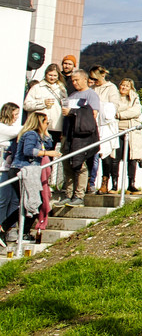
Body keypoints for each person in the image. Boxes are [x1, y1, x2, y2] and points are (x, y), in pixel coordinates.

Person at [1, 112, 57, 243]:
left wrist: (46, 133)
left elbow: (49, 144)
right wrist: (47, 153)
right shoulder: (31, 134)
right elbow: (28, 151)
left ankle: (16, 230)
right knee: (32, 203)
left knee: (30, 203)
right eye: (46, 122)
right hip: (22, 170)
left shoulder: (36, 135)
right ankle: (10, 229)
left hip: (28, 171)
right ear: (39, 122)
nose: (47, 125)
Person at [58, 69, 101, 207]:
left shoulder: (91, 95)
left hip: (82, 137)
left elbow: (92, 116)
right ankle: (68, 193)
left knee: (79, 165)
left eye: (77, 80)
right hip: (68, 135)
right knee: (67, 164)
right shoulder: (72, 95)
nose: (74, 83)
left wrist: (72, 112)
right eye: (72, 81)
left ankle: (79, 194)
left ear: (84, 79)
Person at [87, 66, 119, 194]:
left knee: (105, 154)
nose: (94, 81)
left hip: (106, 124)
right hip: (93, 124)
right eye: (92, 79)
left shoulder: (111, 88)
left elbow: (114, 106)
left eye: (95, 78)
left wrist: (100, 106)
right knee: (90, 154)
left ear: (102, 76)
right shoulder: (92, 89)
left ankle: (105, 181)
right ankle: (90, 182)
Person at [112, 78, 142, 194]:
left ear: (131, 88)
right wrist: (127, 111)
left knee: (132, 158)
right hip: (117, 130)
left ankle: (131, 184)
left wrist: (119, 114)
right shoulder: (114, 97)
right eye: (122, 85)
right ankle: (114, 185)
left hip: (131, 132)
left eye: (127, 86)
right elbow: (112, 111)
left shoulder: (135, 98)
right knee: (115, 158)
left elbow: (136, 111)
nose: (124, 88)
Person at [23, 63, 66, 145]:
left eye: (55, 75)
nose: (52, 77)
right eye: (50, 75)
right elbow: (26, 105)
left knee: (50, 151)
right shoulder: (37, 87)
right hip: (38, 126)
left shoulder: (62, 89)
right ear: (46, 74)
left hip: (55, 127)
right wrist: (42, 103)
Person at [0, 103, 22, 240]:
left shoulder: (13, 128)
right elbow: (20, 130)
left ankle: (9, 228)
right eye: (15, 114)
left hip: (12, 169)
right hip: (2, 170)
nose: (17, 117)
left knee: (15, 200)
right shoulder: (2, 128)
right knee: (3, 199)